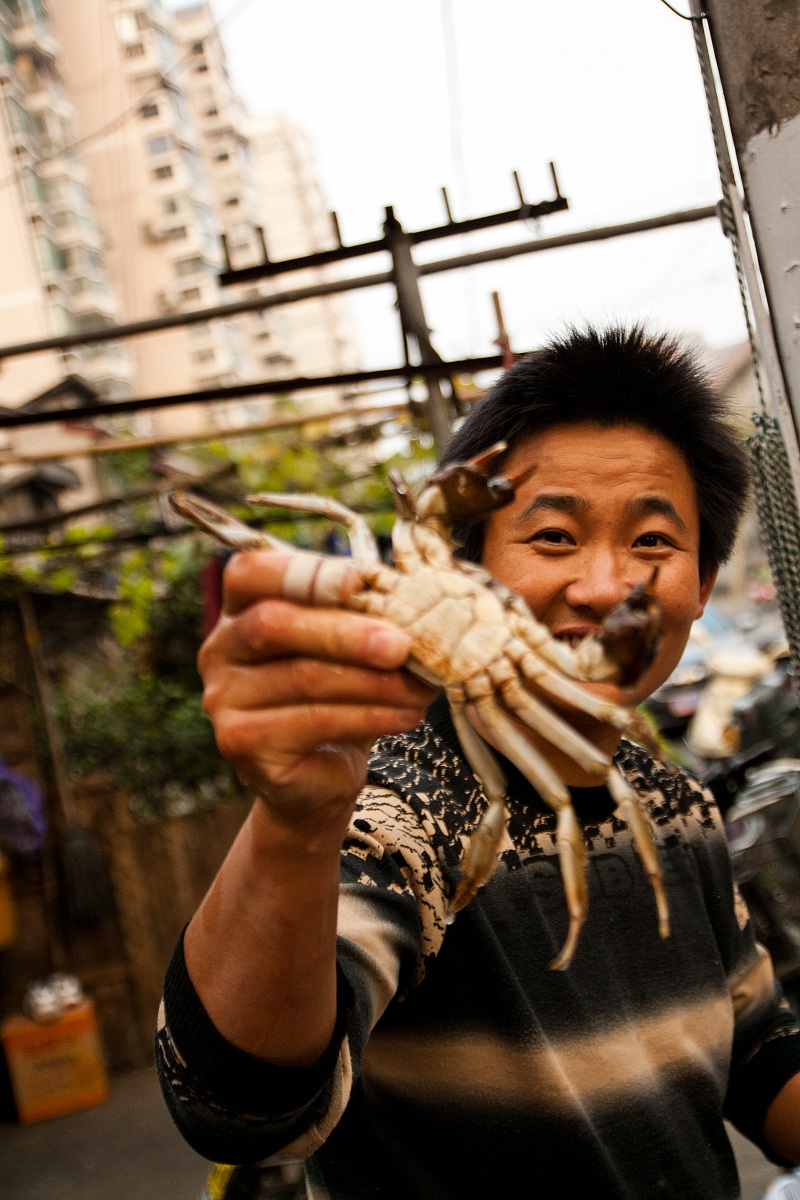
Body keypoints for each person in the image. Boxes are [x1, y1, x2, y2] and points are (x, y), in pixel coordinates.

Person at [156, 325, 800, 1199]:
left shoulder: (676, 805)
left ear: (705, 577)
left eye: (653, 541)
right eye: (553, 537)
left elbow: (759, 1058)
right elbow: (238, 1109)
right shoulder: (405, 807)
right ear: (472, 564)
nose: (607, 585)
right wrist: (297, 823)